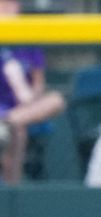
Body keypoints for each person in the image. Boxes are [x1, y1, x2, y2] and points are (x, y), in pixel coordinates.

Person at [0, 0, 65, 184]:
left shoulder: (28, 38)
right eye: (4, 6)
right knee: (17, 132)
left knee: (56, 100)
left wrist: (28, 96)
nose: (9, 10)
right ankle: (13, 190)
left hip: (24, 109)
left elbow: (39, 83)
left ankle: (6, 123)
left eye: (13, 5)